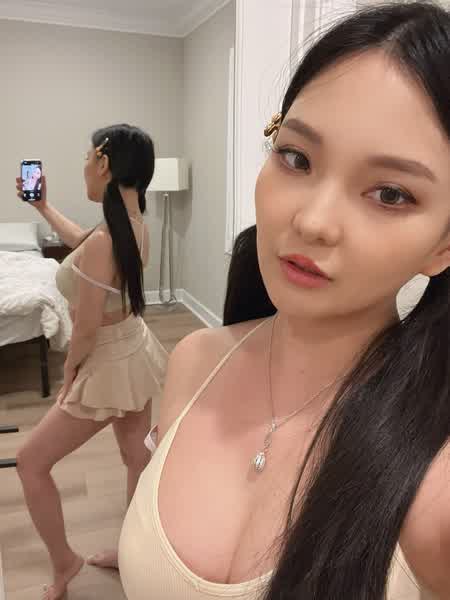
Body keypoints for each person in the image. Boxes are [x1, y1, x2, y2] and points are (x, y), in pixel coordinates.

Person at [117, 3, 449, 599]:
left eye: (391, 194)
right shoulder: (194, 360)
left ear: (443, 246)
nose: (313, 221)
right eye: (296, 157)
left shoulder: (436, 479)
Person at [15, 124, 168, 600]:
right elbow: (83, 241)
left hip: (107, 358)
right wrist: (42, 207)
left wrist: (69, 372)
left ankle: (65, 565)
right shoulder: (132, 225)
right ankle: (133, 552)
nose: (83, 165)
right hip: (132, 349)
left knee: (30, 462)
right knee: (136, 457)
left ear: (104, 163)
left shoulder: (108, 238)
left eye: (87, 157)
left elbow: (84, 329)